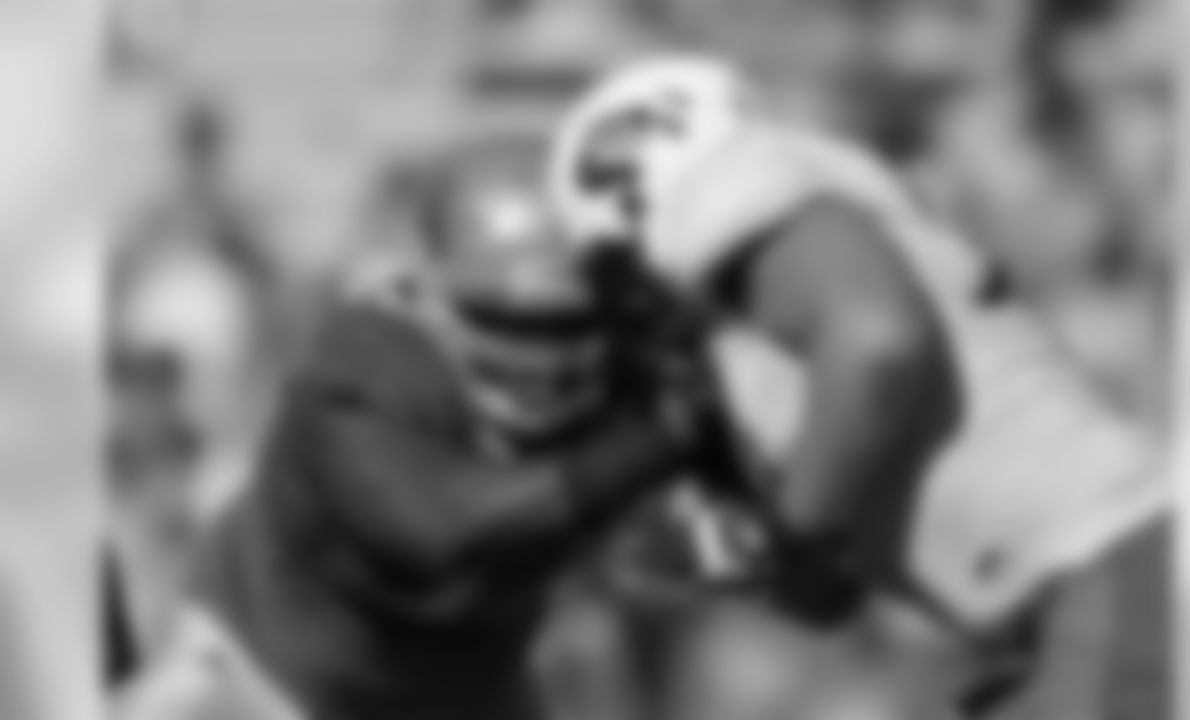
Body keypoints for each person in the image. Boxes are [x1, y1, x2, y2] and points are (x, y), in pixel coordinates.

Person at [546, 55, 1166, 719]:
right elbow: (828, 598)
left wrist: (784, 534)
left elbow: (877, 338)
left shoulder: (727, 192)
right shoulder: (788, 283)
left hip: (1102, 572)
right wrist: (750, 551)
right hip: (1090, 586)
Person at [114, 130, 732, 720]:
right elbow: (445, 532)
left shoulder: (615, 365)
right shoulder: (360, 367)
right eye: (503, 318)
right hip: (258, 686)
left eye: (566, 321)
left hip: (460, 691)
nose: (542, 357)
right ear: (423, 295)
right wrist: (668, 435)